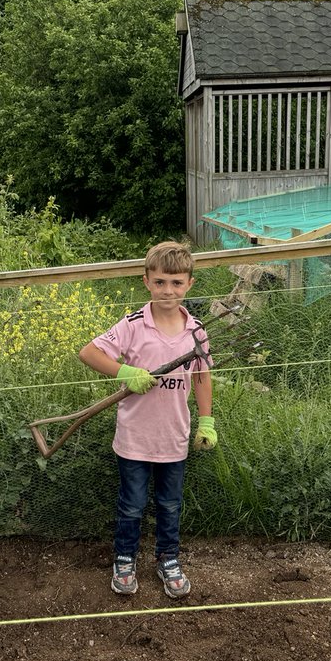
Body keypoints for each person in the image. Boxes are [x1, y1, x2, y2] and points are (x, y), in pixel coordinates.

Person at [79, 241, 217, 599]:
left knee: (170, 503)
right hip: (134, 438)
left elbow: (202, 376)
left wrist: (207, 421)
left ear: (190, 284)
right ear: (146, 282)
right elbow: (89, 352)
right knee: (132, 504)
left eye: (175, 283)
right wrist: (126, 370)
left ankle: (168, 559)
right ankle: (124, 559)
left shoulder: (197, 330)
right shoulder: (133, 325)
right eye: (159, 282)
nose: (167, 290)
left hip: (174, 436)